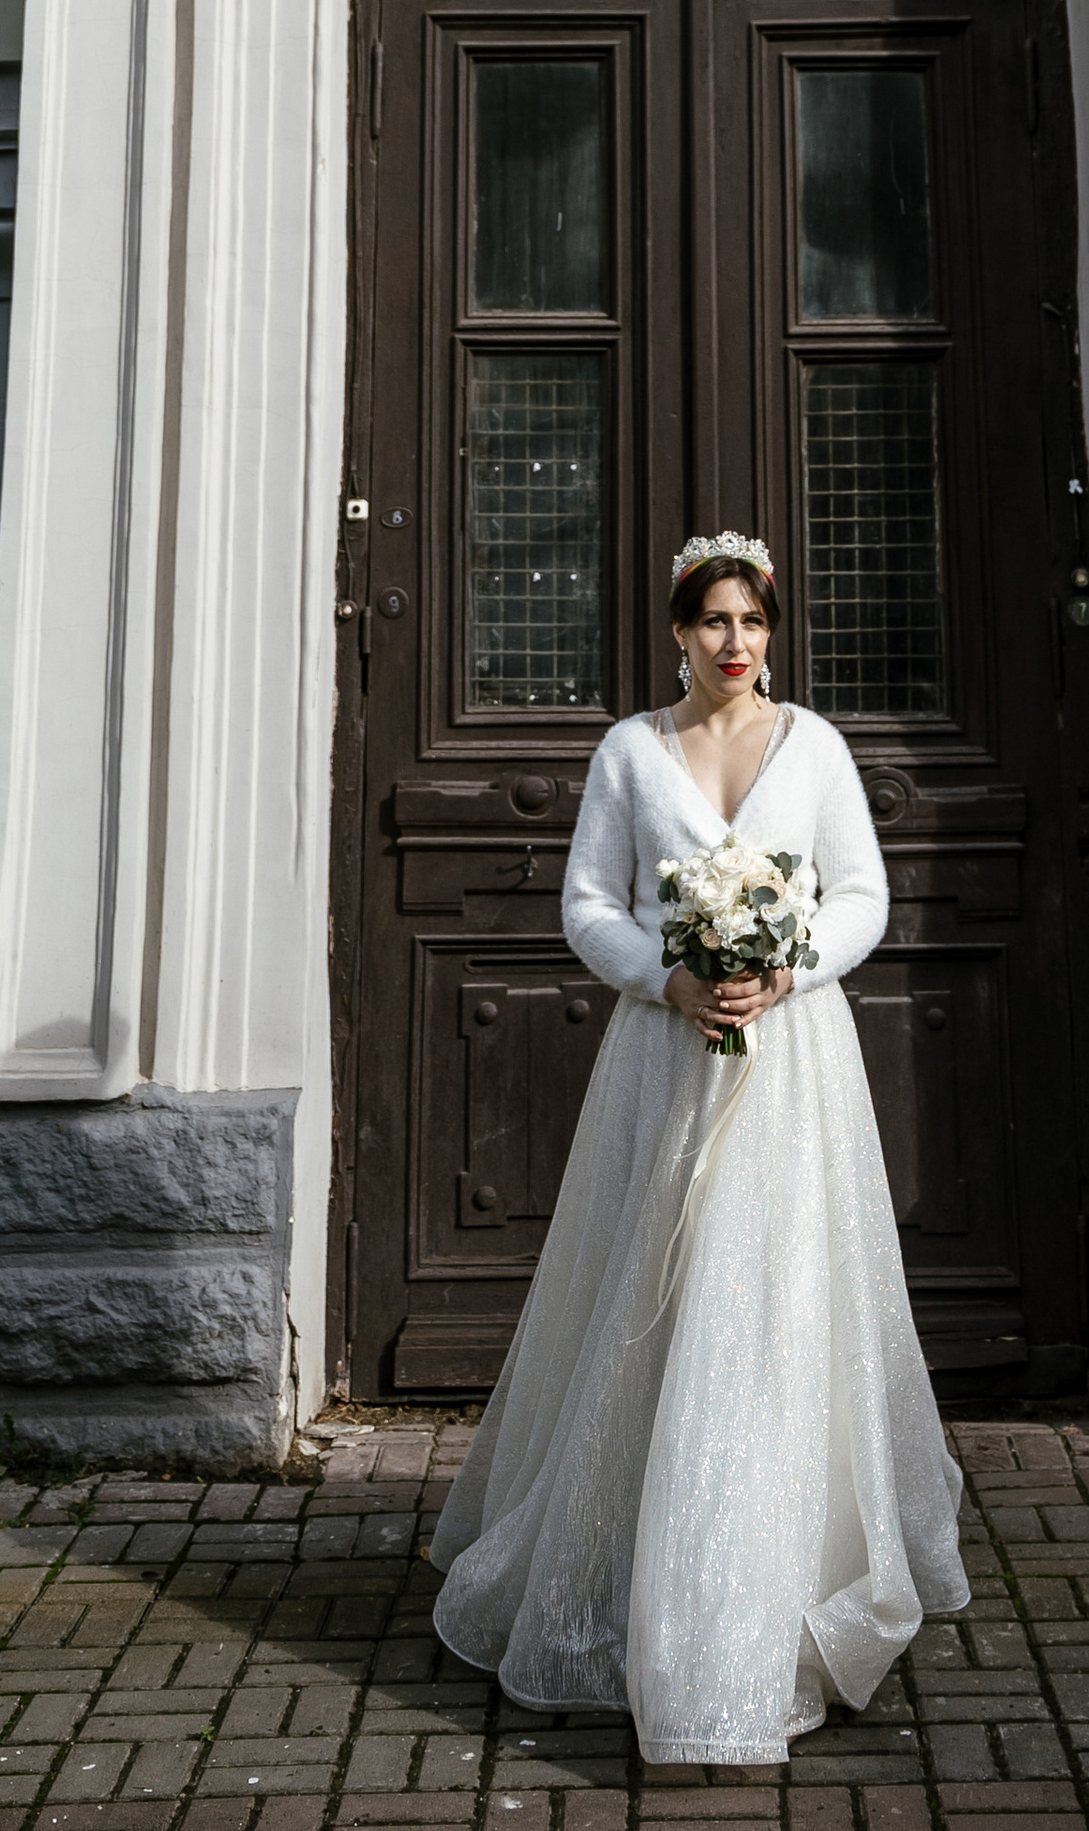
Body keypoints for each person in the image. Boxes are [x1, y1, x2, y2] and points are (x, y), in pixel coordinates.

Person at [428, 534, 969, 1768]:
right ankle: (629, 1582)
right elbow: (588, 904)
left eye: (754, 624)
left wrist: (791, 965)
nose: (736, 645)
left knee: (770, 1308)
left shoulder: (817, 748)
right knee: (655, 1295)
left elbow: (861, 894)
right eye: (715, 622)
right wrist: (666, 977)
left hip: (790, 1067)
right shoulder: (629, 752)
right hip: (663, 1064)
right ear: (678, 631)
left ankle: (762, 1599)